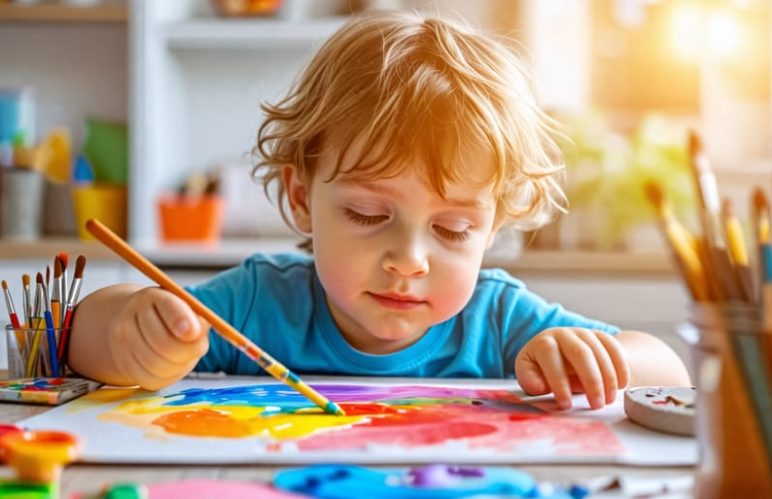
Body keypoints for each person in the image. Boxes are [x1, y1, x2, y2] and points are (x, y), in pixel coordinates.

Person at [69, 11, 690, 410]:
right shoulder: (260, 303)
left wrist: (592, 359)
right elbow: (78, 335)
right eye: (368, 215)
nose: (409, 261)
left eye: (453, 228)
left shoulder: (500, 319)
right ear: (301, 197)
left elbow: (670, 372)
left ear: (491, 228)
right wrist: (129, 330)